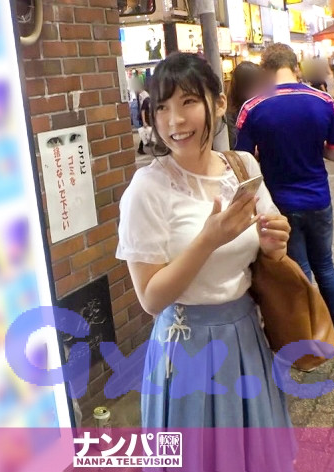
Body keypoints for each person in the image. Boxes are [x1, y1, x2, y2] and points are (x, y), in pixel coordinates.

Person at [115, 53, 295, 468]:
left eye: (188, 102)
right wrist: (209, 240)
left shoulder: (242, 166)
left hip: (245, 336)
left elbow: (269, 246)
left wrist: (275, 243)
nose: (174, 120)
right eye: (162, 107)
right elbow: (150, 299)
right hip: (185, 346)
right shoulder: (148, 188)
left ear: (218, 103)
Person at [236, 43, 334, 355]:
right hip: (318, 198)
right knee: (325, 266)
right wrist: (315, 148)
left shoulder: (252, 107)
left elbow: (243, 162)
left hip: (280, 204)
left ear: (265, 70)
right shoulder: (324, 100)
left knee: (299, 270)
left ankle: (307, 340)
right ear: (295, 67)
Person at [226, 61, 267, 148]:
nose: (261, 91)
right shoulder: (230, 117)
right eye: (258, 86)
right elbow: (236, 147)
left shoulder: (261, 108)